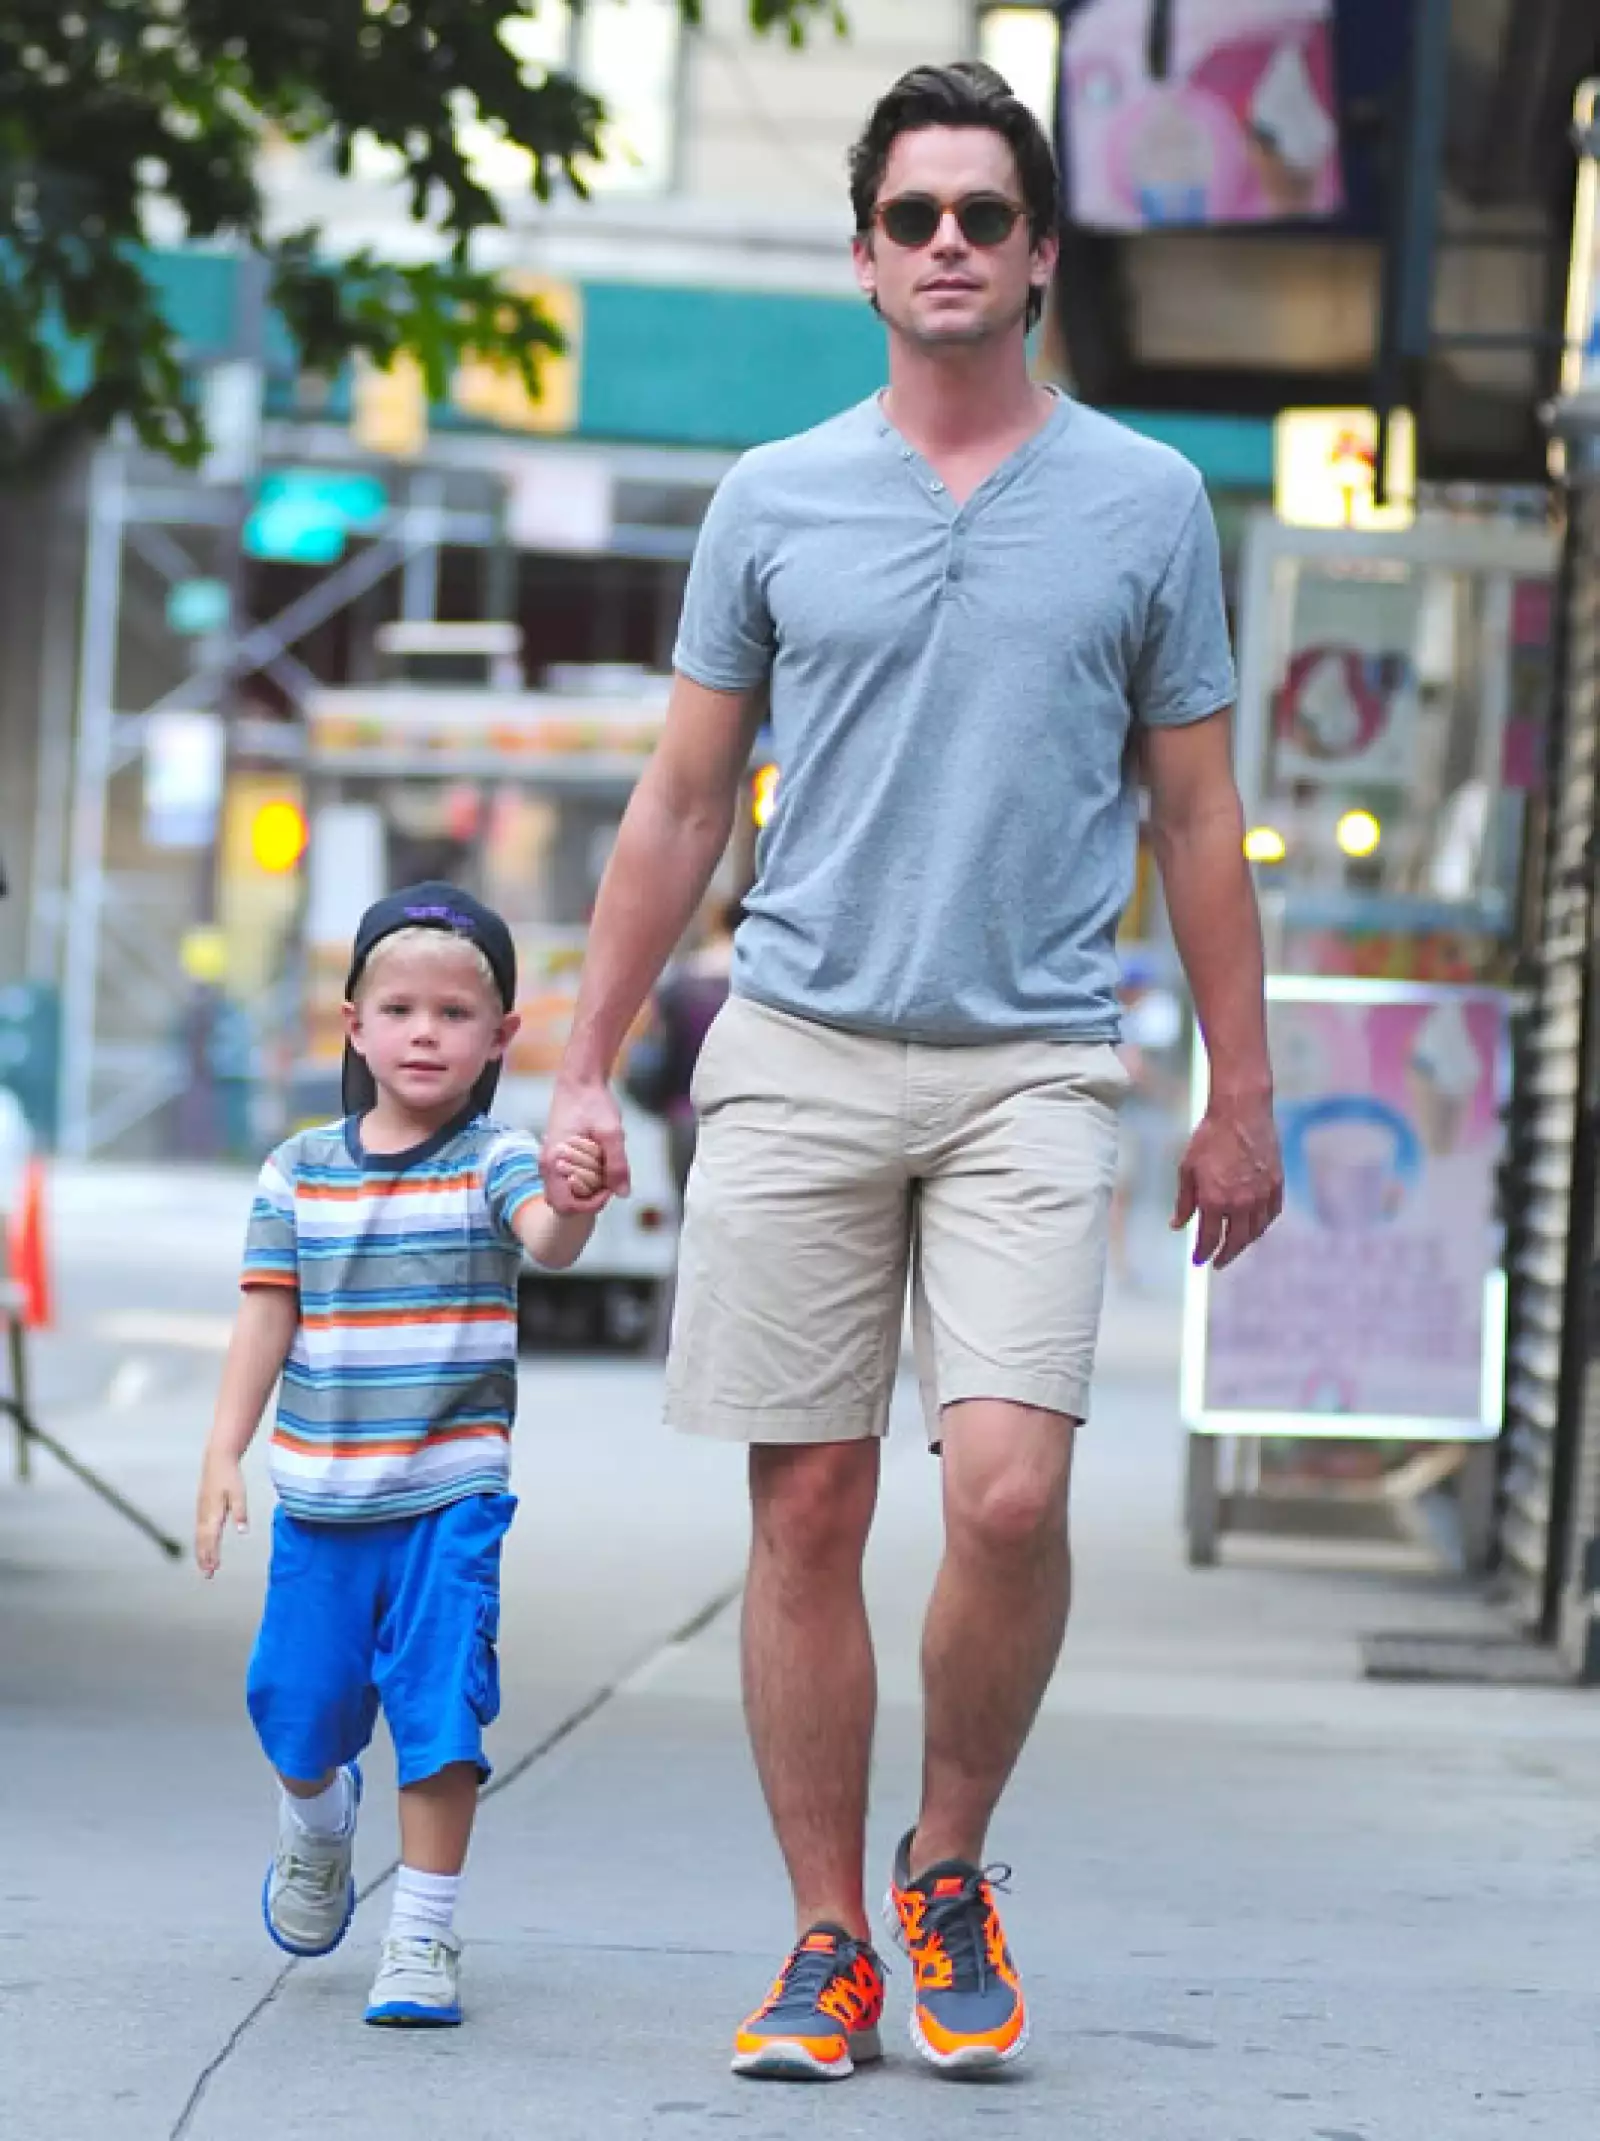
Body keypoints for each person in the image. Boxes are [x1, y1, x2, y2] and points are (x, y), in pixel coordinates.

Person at [542, 60, 1283, 2083]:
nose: (946, 241)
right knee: (802, 1508)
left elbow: (1199, 820)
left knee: (1013, 1487)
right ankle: (823, 1936)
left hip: (1034, 1059)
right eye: (912, 215)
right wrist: (586, 1060)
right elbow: (682, 799)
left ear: (1039, 256)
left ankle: (944, 1859)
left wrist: (1241, 1089)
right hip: (789, 1044)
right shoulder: (769, 495)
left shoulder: (1144, 501)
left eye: (983, 214)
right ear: (862, 255)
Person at [195, 882, 602, 2029]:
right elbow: (266, 1315)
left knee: (439, 1716)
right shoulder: (298, 1171)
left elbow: (551, 1241)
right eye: (403, 1009)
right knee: (293, 1706)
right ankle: (319, 1828)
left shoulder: (497, 1161)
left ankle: (421, 1930)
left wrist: (575, 1197)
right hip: (321, 1501)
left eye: (456, 1014)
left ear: (501, 1037)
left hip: (449, 1502)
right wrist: (225, 1449)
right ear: (354, 1024)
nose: (427, 1032)